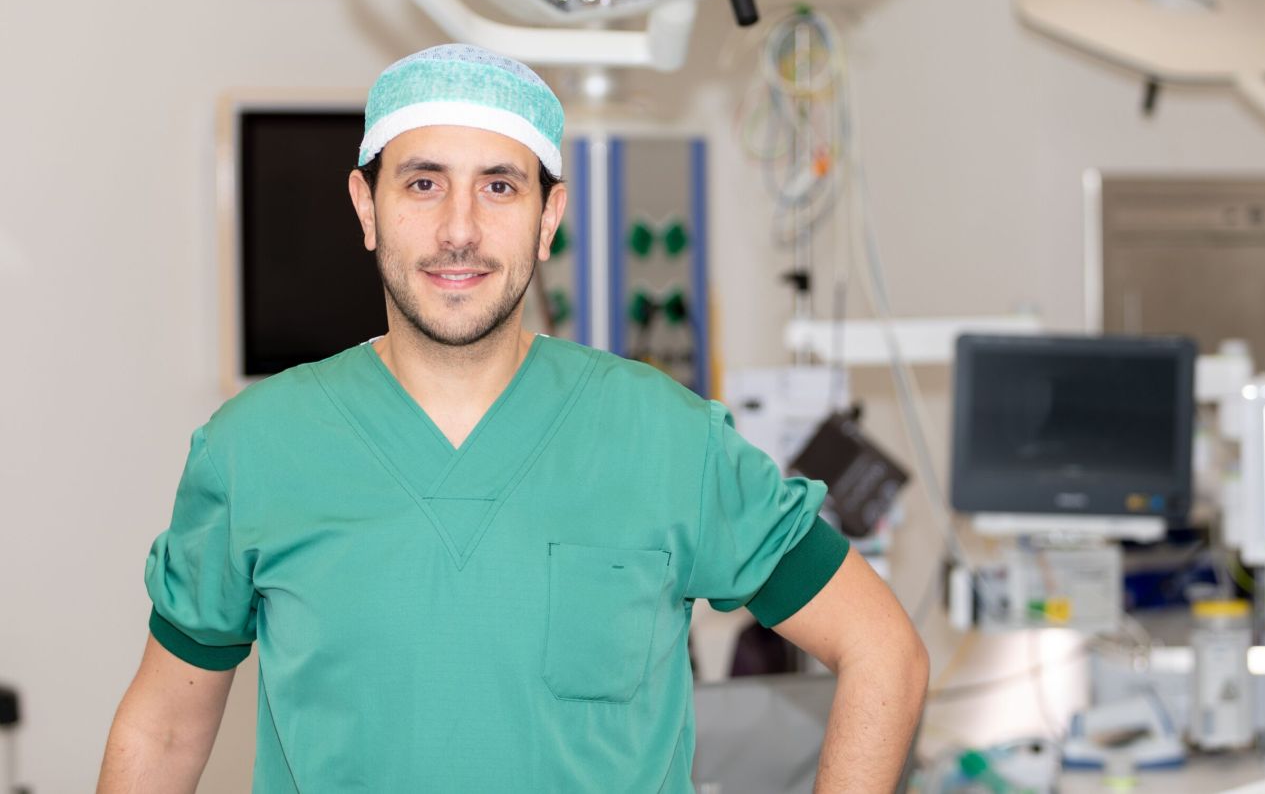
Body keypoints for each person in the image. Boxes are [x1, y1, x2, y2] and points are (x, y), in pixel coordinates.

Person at [97, 44, 928, 792]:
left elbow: (882, 650)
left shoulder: (666, 439)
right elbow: (164, 730)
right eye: (423, 183)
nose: (459, 230)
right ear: (366, 207)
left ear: (548, 218)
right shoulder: (256, 449)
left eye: (499, 186)